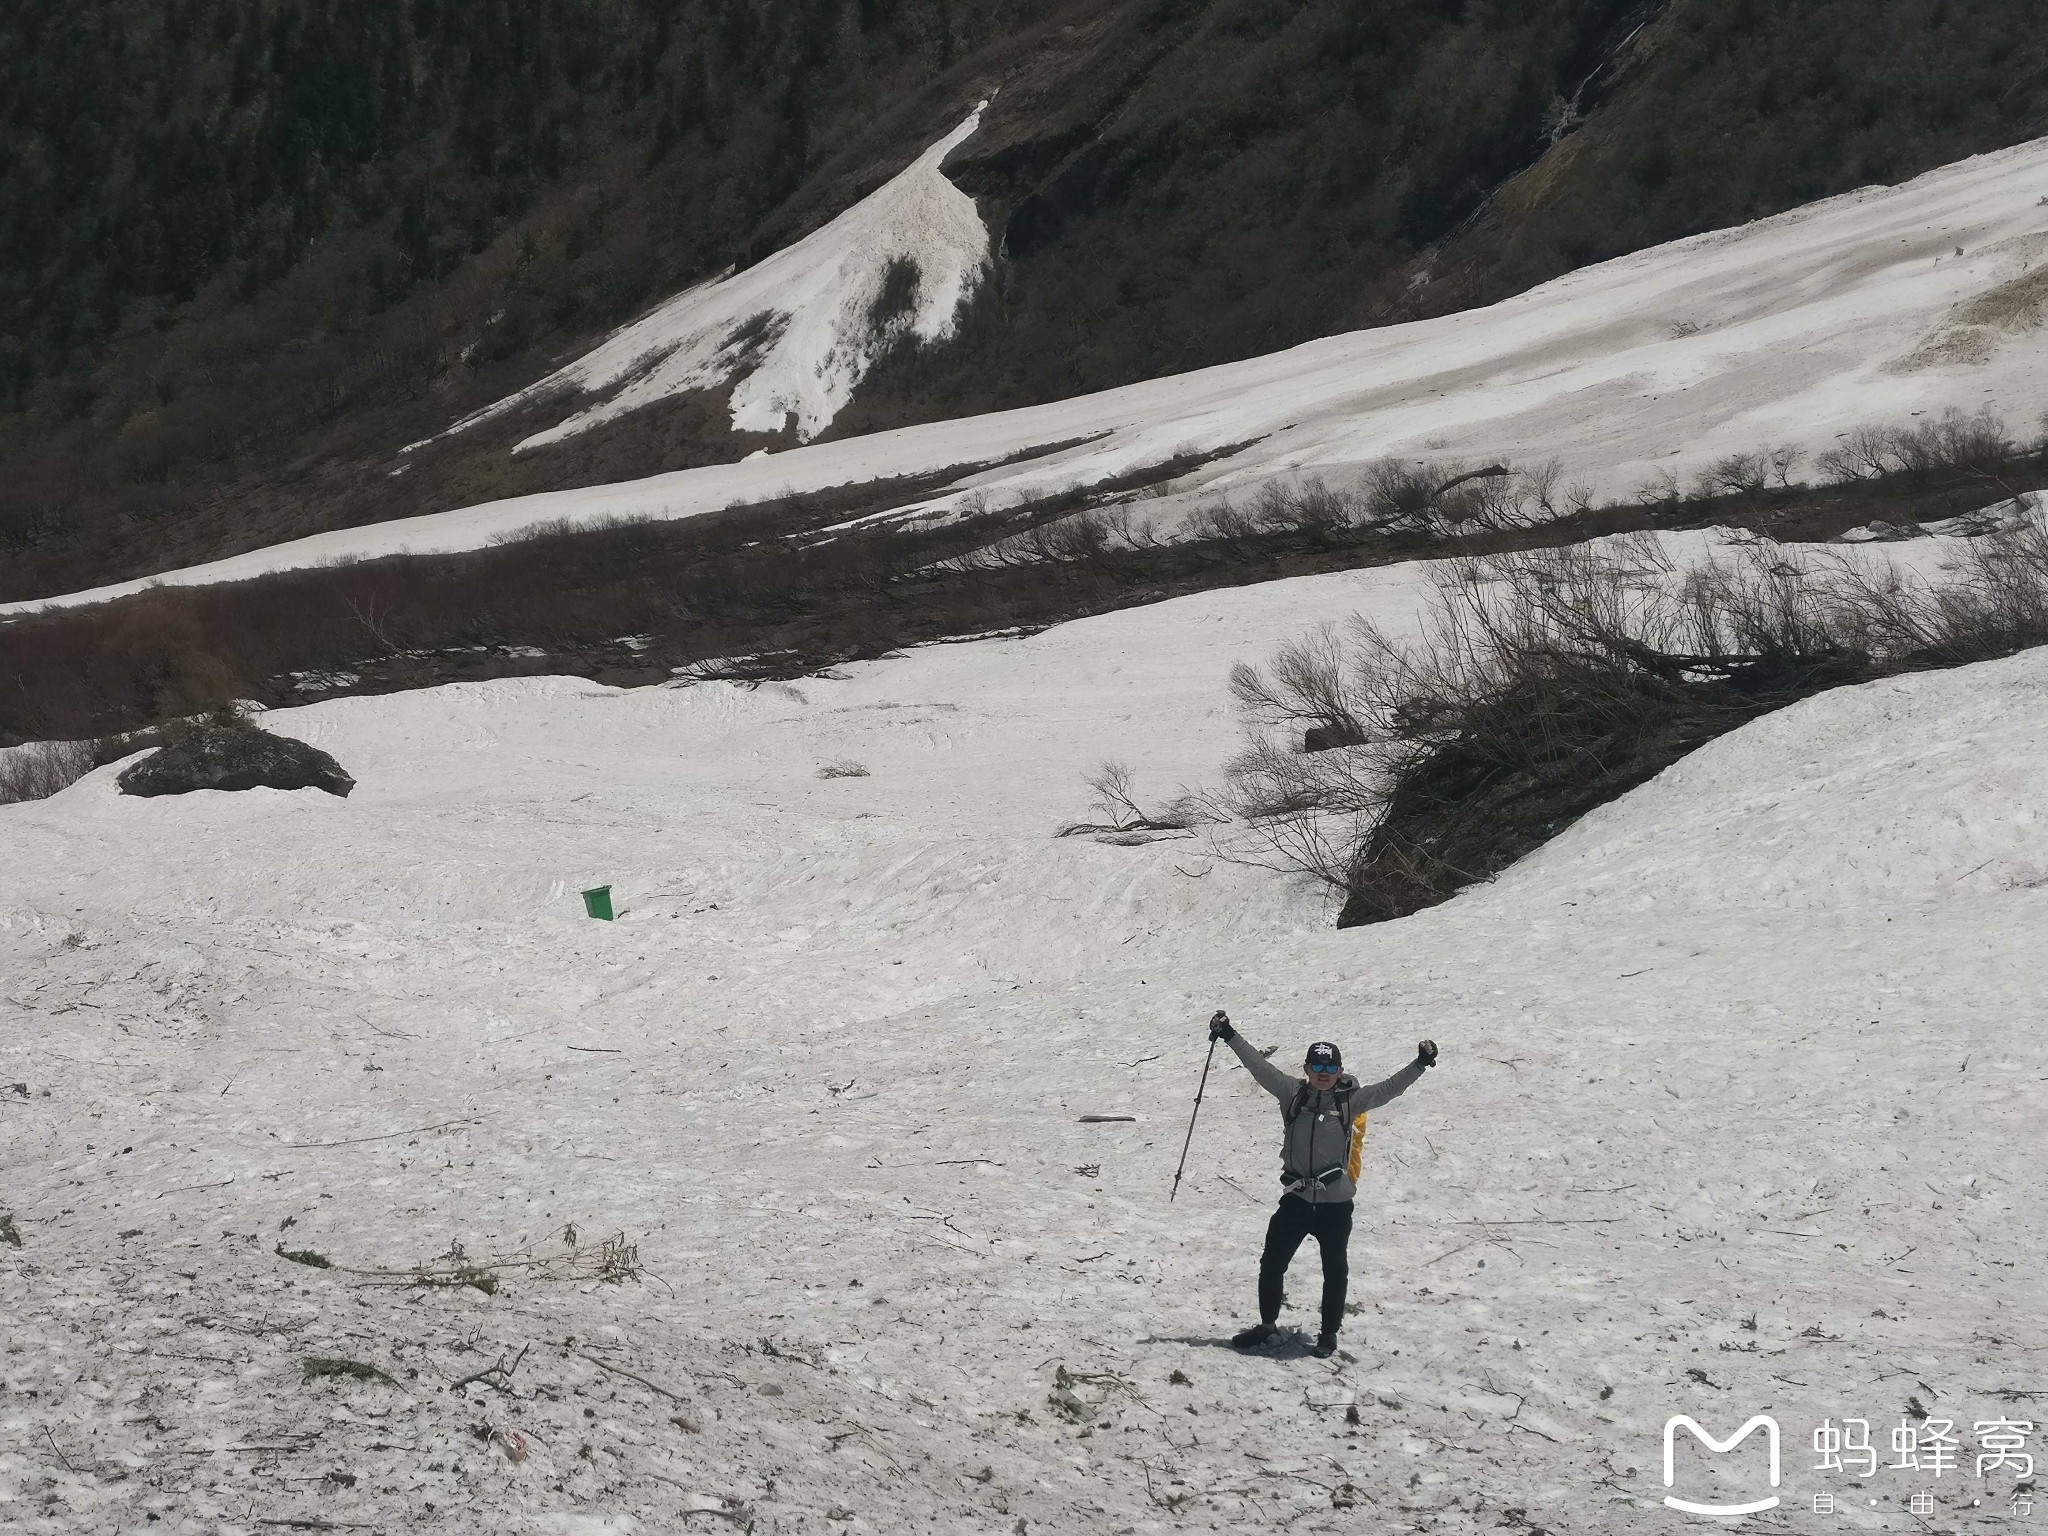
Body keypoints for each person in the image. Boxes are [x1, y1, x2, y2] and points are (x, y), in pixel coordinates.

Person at [1208, 1009, 1438, 1358]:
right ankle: (1267, 1326)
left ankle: (1328, 1334)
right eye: (1318, 1067)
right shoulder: (1291, 1094)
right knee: (1272, 1262)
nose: (1324, 1074)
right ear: (1307, 1069)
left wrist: (1420, 1063)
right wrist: (1230, 1035)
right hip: (1297, 1200)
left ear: (1340, 1071)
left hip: (1335, 1205)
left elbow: (1390, 1089)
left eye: (1331, 1068)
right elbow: (1259, 1067)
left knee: (1335, 1270)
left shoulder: (1351, 1101)